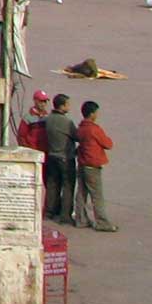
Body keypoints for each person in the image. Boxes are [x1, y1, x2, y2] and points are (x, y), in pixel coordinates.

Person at [76, 100, 116, 231]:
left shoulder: (81, 128)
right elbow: (108, 144)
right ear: (92, 114)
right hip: (92, 166)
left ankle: (80, 219)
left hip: (82, 164)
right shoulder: (94, 129)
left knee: (81, 193)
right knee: (97, 196)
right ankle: (102, 222)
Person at [44, 93, 78, 223]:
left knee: (52, 185)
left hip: (51, 155)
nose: (69, 106)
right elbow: (77, 136)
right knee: (68, 186)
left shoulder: (49, 119)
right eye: (67, 104)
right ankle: (65, 215)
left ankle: (49, 212)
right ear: (62, 106)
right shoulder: (66, 122)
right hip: (65, 157)